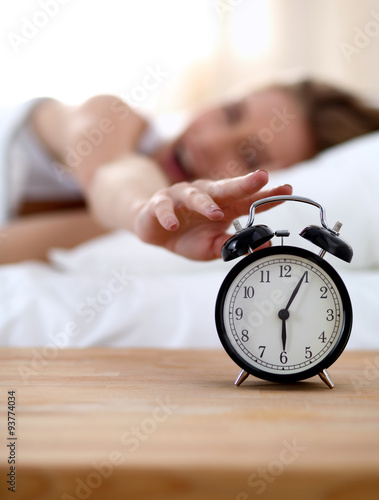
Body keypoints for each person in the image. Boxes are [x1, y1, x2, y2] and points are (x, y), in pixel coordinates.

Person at [1, 78, 379, 264]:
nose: (210, 141)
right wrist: (143, 207)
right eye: (230, 113)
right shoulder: (108, 118)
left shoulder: (152, 232)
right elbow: (115, 175)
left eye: (249, 157)